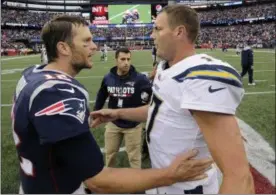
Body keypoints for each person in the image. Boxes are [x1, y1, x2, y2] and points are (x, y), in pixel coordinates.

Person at [11, 15, 213, 194]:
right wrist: (171, 175)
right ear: (63, 48)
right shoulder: (58, 92)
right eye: (87, 41)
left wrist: (118, 113)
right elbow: (99, 181)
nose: (94, 46)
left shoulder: (32, 74)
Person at [91, 5, 255, 194]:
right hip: (162, 179)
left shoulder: (199, 77)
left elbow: (239, 176)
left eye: (158, 29)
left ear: (179, 32)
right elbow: (161, 111)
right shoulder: (166, 67)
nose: (152, 36)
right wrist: (118, 113)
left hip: (188, 188)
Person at [94, 47, 152, 168]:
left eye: (128, 59)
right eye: (123, 59)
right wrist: (96, 112)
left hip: (133, 125)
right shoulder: (108, 78)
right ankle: (109, 179)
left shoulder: (139, 79)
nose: (126, 62)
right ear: (116, 60)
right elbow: (101, 96)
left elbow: (150, 95)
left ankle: (137, 183)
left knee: (134, 158)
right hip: (113, 123)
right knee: (110, 154)